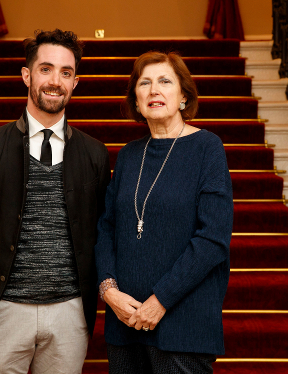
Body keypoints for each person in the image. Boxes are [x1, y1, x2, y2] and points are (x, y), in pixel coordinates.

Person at [0, 29, 110, 374]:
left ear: (76, 82)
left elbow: (101, 229)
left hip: (70, 314)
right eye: (46, 69)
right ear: (27, 75)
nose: (55, 81)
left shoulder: (95, 154)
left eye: (66, 73)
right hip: (3, 312)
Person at [95, 51, 233, 374]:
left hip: (183, 326)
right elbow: (106, 228)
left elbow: (213, 238)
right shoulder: (129, 156)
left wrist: (161, 300)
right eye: (144, 84)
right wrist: (108, 290)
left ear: (183, 95)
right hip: (124, 324)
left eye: (164, 81)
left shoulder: (208, 148)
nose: (154, 90)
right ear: (137, 100)